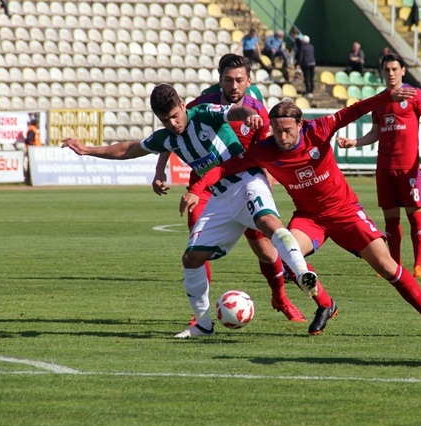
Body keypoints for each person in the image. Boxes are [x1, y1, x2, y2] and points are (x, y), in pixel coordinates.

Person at [183, 89, 421, 339]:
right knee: (287, 257)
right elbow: (224, 168)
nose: (282, 136)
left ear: (300, 124)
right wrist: (196, 188)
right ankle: (325, 303)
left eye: (287, 130)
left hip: (346, 213)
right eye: (276, 131)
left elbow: (355, 110)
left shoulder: (320, 129)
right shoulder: (264, 151)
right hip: (309, 218)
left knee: (387, 267)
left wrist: (387, 95)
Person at [62, 84, 318, 338]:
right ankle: (203, 325)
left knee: (268, 224)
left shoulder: (204, 113)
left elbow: (233, 112)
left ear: (183, 105)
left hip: (247, 181)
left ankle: (302, 272)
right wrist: (87, 150)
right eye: (165, 119)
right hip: (219, 197)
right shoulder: (166, 138)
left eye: (175, 115)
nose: (173, 123)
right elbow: (129, 149)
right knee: (191, 258)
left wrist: (248, 115)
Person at [152, 55, 307, 324]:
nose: (234, 85)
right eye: (228, 79)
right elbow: (172, 134)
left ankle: (281, 298)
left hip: (242, 183)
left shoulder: (256, 107)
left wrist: (266, 179)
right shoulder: (200, 105)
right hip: (204, 186)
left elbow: (265, 146)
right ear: (219, 78)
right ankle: (199, 316)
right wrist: (159, 170)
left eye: (239, 80)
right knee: (197, 248)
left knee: (266, 250)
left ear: (248, 81)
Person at [337, 53, 421, 280]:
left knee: (415, 217)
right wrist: (355, 142)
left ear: (403, 70)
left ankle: (419, 266)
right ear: (382, 72)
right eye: (387, 70)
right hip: (384, 167)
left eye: (395, 69)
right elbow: (376, 132)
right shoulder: (380, 100)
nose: (391, 73)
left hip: (408, 168)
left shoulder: (415, 95)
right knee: (391, 220)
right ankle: (394, 266)